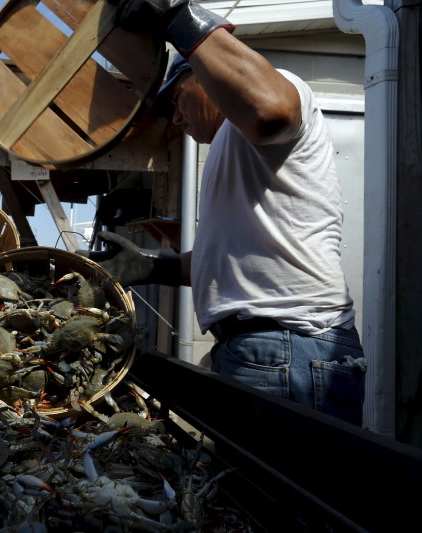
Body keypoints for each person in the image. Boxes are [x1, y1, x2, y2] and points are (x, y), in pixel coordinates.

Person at [86, 0, 367, 425]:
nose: (176, 118)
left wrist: (174, 16)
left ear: (208, 77)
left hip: (289, 347)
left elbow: (272, 111)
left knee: (269, 492)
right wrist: (150, 267)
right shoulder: (229, 146)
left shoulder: (278, 94)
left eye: (177, 99)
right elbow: (233, 259)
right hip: (270, 348)